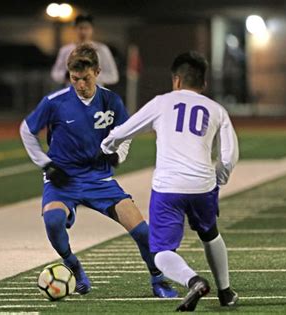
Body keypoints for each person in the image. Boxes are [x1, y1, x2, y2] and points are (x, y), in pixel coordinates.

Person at [20, 44, 176, 298]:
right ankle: (74, 267)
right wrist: (45, 164)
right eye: (75, 79)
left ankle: (159, 280)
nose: (80, 84)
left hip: (99, 180)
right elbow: (26, 130)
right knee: (53, 221)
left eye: (86, 78)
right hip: (63, 179)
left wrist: (118, 155)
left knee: (143, 232)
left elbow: (125, 134)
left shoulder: (110, 100)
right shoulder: (54, 102)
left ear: (97, 72)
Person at [101, 51, 239, 311]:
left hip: (168, 188)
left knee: (162, 251)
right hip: (203, 186)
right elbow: (229, 156)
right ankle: (226, 292)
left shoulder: (162, 103)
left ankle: (193, 280)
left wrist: (107, 145)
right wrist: (217, 179)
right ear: (204, 84)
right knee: (210, 235)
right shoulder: (217, 110)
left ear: (176, 80)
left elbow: (124, 130)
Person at [51, 14, 119, 86]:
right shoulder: (65, 50)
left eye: (86, 28)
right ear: (75, 29)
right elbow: (55, 73)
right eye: (80, 28)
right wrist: (66, 75)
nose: (83, 32)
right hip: (72, 93)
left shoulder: (101, 49)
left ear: (92, 29)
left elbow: (113, 76)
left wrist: (90, 76)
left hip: (95, 93)